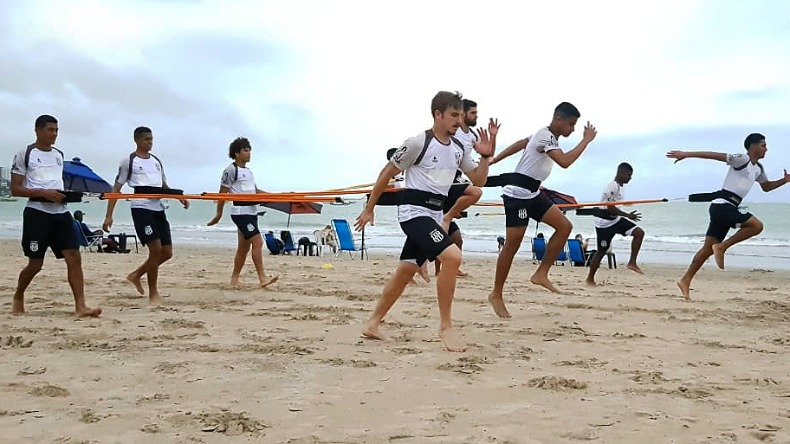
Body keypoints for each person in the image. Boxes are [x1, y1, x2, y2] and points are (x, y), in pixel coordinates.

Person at [355, 91, 494, 352]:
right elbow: (387, 172)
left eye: (460, 116)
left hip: (434, 214)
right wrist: (369, 208)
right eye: (453, 115)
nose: (458, 120)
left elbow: (478, 180)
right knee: (452, 257)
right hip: (413, 212)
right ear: (437, 115)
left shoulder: (458, 148)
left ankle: (373, 323)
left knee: (405, 271)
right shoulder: (419, 142)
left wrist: (485, 157)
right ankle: (446, 327)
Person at [486, 102, 597, 318]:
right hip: (517, 195)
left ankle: (541, 273)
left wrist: (496, 159)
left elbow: (521, 143)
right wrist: (585, 140)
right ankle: (496, 294)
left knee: (564, 226)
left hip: (534, 193)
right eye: (571, 125)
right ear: (558, 120)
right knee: (511, 245)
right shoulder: (545, 136)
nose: (573, 129)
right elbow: (564, 162)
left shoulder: (544, 135)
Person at [667, 134, 789, 300]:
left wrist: (785, 181)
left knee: (706, 250)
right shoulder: (742, 159)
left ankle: (685, 280)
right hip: (721, 205)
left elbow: (767, 187)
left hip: (727, 208)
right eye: (763, 145)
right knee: (756, 226)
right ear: (752, 146)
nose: (766, 148)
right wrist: (686, 154)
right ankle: (722, 247)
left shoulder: (758, 168)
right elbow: (713, 155)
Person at [9, 114, 102, 317]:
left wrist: (66, 196)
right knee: (35, 263)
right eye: (50, 130)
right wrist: (43, 193)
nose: (54, 134)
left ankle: (80, 306)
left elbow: (55, 184)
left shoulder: (59, 154)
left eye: (56, 130)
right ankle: (18, 296)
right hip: (37, 213)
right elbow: (15, 189)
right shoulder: (25, 153)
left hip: (61, 213)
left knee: (74, 257)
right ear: (38, 130)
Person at [103, 126, 189, 306]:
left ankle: (136, 275)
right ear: (137, 140)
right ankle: (153, 294)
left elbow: (164, 185)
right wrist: (109, 216)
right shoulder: (129, 161)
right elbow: (116, 190)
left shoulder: (156, 160)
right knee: (155, 250)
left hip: (158, 208)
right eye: (146, 139)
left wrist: (179, 197)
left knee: (167, 253)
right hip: (141, 208)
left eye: (151, 139)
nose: (150, 142)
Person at [434, 98, 496, 277]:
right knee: (436, 234)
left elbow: (487, 155)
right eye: (473, 113)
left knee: (456, 238)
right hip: (443, 183)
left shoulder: (473, 136)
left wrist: (492, 137)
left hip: (457, 179)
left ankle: (445, 269)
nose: (476, 116)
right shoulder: (452, 134)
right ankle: (428, 268)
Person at [207, 137, 278, 288]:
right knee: (258, 242)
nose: (249, 153)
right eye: (245, 150)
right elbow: (222, 193)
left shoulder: (248, 171)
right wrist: (218, 214)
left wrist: (276, 196)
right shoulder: (231, 170)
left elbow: (255, 191)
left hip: (251, 212)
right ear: (237, 153)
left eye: (249, 150)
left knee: (243, 248)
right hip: (240, 212)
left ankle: (234, 279)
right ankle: (262, 278)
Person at [585, 163, 645, 285]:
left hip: (615, 219)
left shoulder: (621, 186)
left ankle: (632, 263)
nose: (630, 178)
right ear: (621, 173)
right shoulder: (612, 186)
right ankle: (590, 279)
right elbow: (610, 209)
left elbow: (615, 205)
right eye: (629, 175)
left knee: (639, 233)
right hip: (604, 223)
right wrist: (628, 215)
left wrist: (625, 207)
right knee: (601, 251)